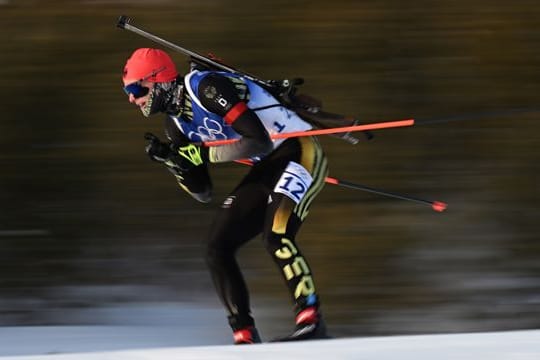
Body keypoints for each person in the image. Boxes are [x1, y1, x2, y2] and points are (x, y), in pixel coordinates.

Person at [121, 48, 329, 344]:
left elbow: (256, 140)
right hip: (268, 167)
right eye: (128, 91)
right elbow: (203, 191)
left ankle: (311, 319)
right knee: (216, 246)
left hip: (299, 150)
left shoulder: (205, 87)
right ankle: (244, 335)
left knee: (276, 235)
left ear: (159, 80)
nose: (132, 98)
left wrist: (202, 153)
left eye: (136, 88)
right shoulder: (175, 126)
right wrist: (176, 163)